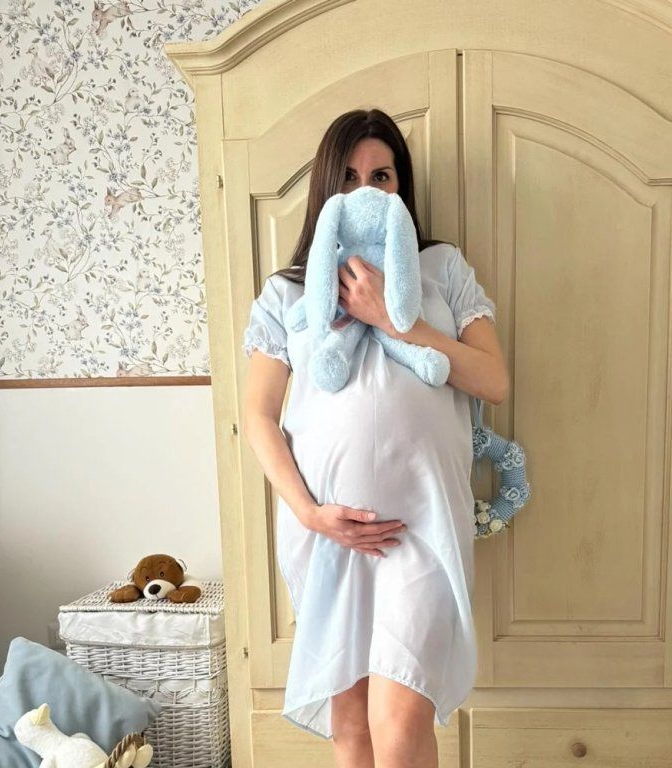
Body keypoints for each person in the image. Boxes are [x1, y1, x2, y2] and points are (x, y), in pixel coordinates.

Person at [240, 108, 509, 768]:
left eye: (382, 175)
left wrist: (395, 318)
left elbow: (493, 380)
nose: (367, 190)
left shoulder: (441, 268)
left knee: (401, 717)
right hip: (329, 533)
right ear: (327, 190)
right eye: (350, 177)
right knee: (351, 724)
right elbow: (259, 416)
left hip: (423, 525)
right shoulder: (288, 293)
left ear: (401, 187)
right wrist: (310, 514)